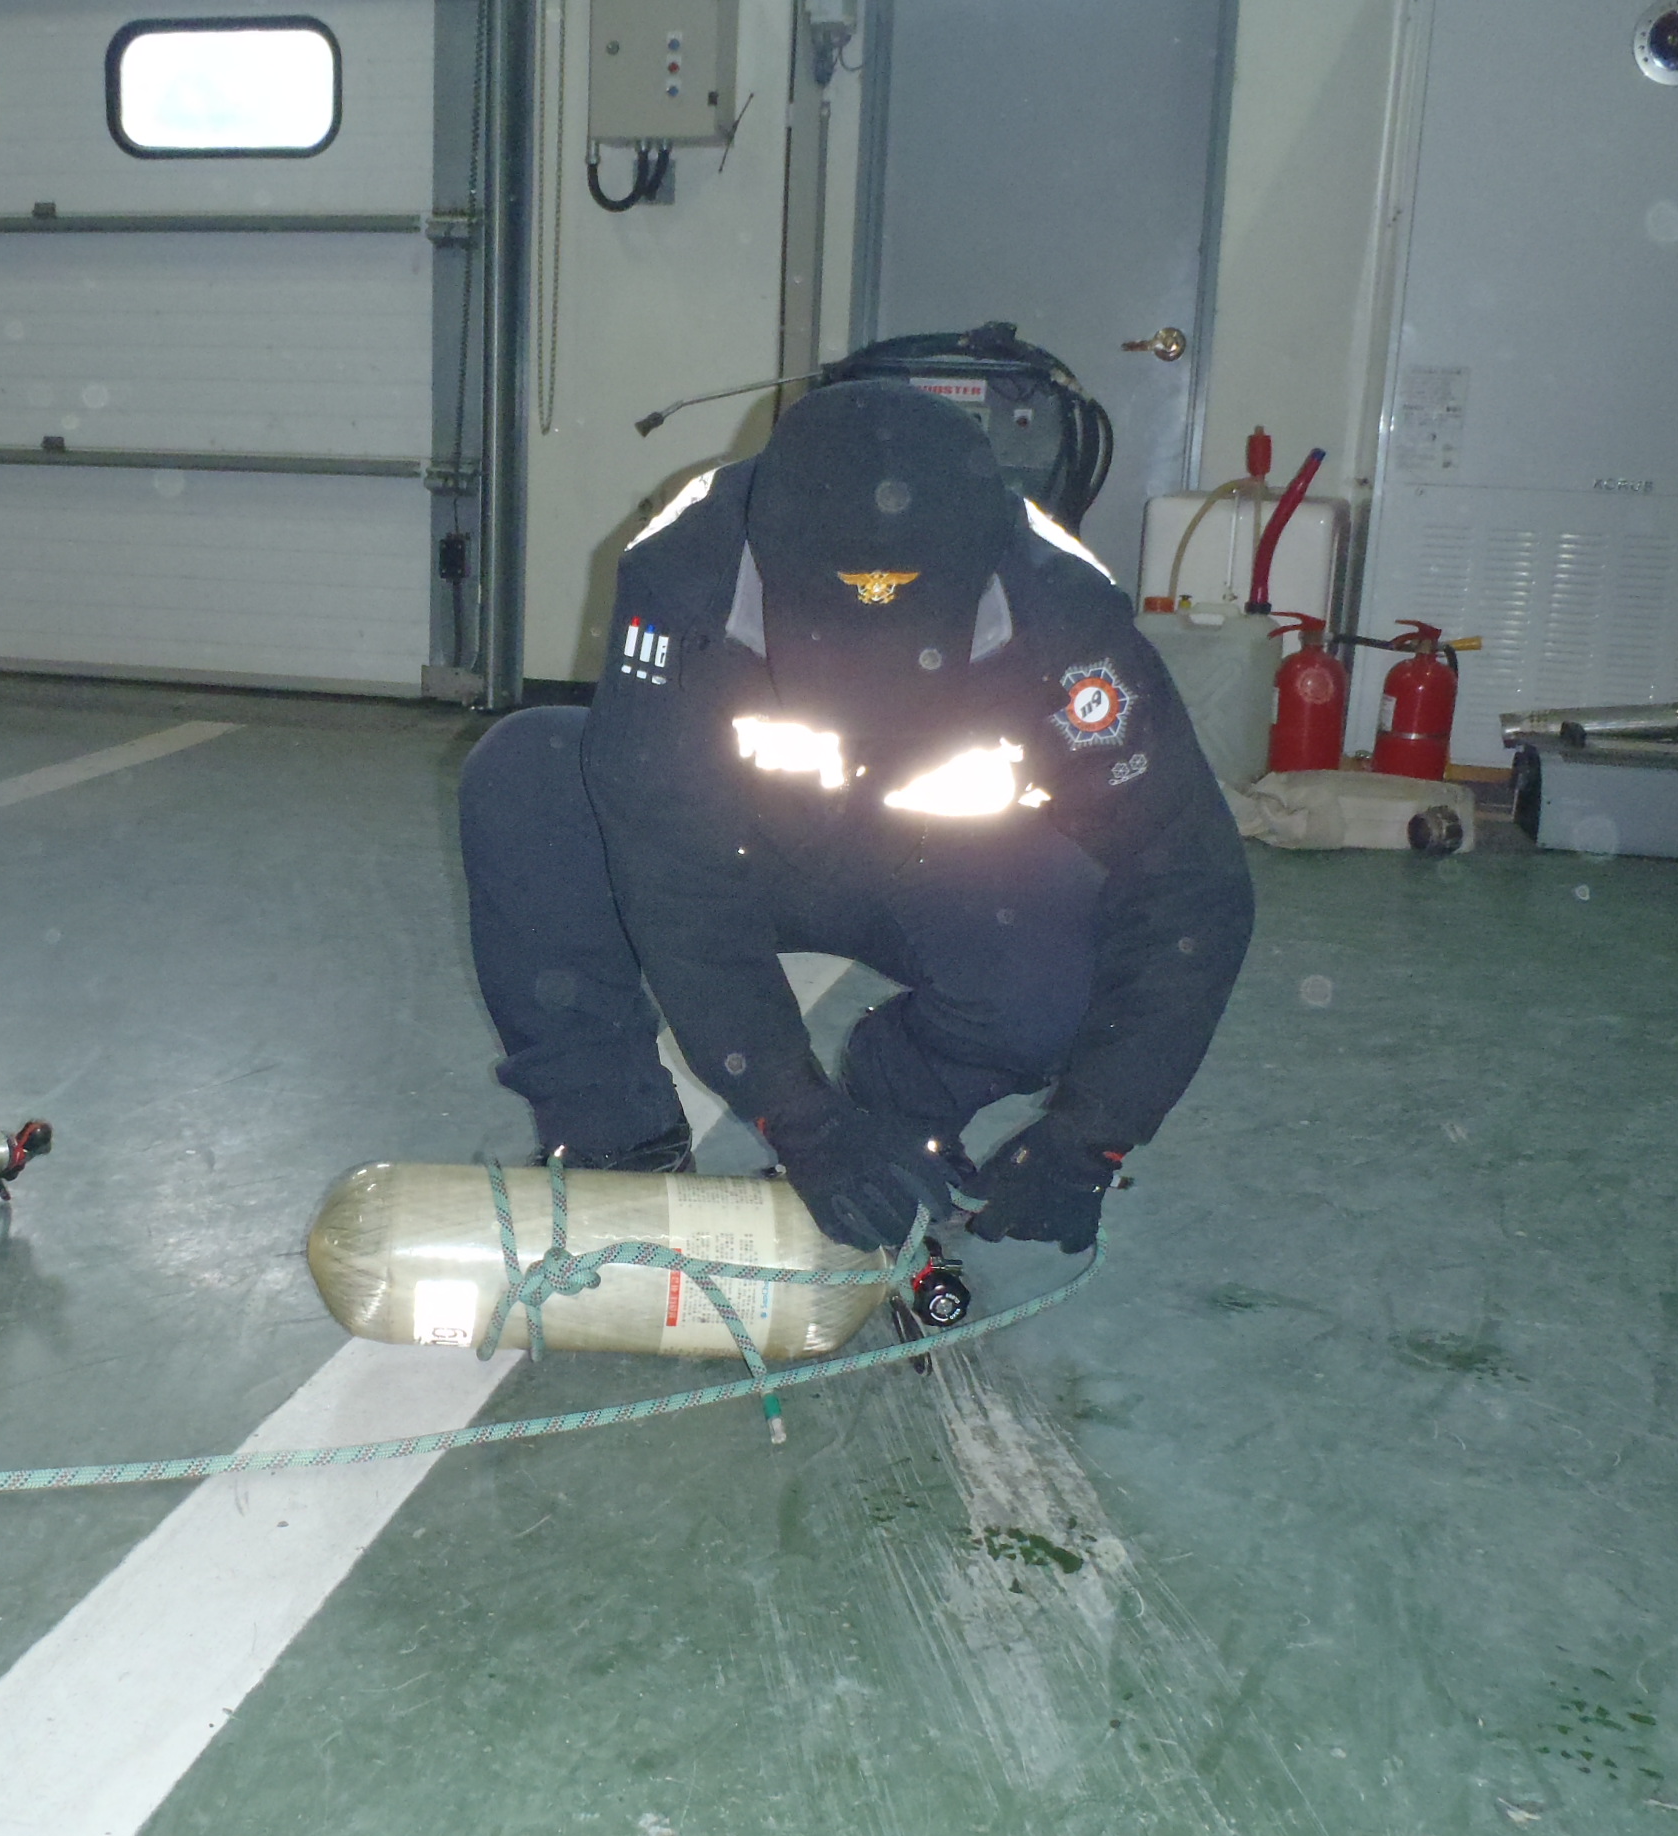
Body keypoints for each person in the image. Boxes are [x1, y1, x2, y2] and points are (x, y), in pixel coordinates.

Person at [459, 380, 1254, 1254]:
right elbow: (673, 879)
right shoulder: (687, 573)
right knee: (531, 774)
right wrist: (797, 1117)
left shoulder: (1059, 609)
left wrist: (1091, 1137)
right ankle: (614, 1132)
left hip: (949, 868)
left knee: (1060, 963)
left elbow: (1187, 882)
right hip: (749, 846)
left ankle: (902, 1112)